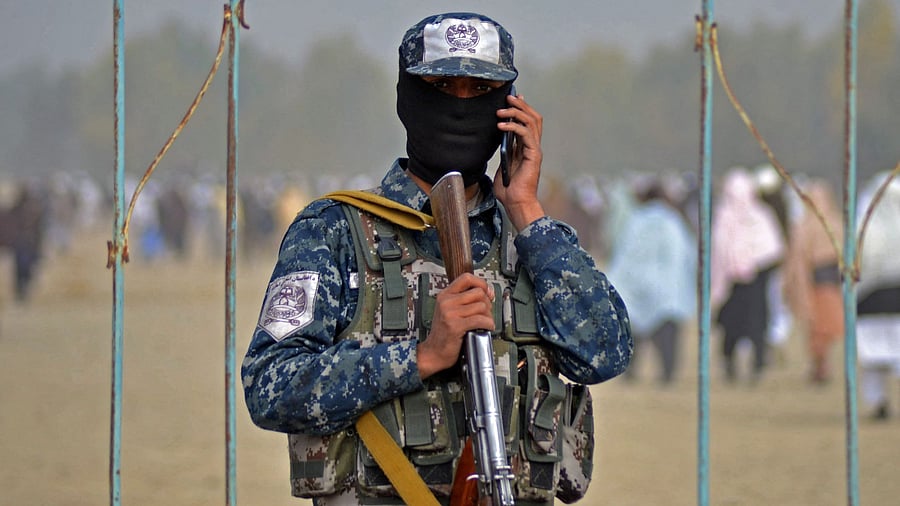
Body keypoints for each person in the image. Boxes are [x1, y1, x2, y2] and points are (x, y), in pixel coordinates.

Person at [241, 12, 633, 506]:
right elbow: (269, 387)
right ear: (408, 97)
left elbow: (606, 352)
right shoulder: (335, 230)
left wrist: (528, 211)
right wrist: (420, 357)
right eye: (443, 85)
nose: (460, 105)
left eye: (480, 90)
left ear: (509, 109)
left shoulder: (531, 241)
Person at [607, 176, 696, 386]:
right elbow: (685, 254)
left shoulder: (635, 220)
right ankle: (667, 374)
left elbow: (622, 252)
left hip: (635, 288)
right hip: (667, 290)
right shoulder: (673, 221)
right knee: (667, 337)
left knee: (633, 334)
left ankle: (630, 372)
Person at [711, 167, 785, 384]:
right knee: (731, 326)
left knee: (755, 326)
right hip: (732, 284)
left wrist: (750, 262)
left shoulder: (760, 215)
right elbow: (719, 250)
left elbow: (772, 248)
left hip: (755, 283)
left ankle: (757, 365)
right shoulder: (724, 216)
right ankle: (730, 365)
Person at [783, 179, 844, 384]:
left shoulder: (826, 224)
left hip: (828, 283)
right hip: (815, 282)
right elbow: (798, 259)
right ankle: (819, 365)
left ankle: (821, 364)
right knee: (817, 327)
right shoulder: (825, 224)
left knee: (824, 327)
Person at [855, 172, 900, 419]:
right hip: (886, 295)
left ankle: (878, 401)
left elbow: (862, 261)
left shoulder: (867, 227)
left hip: (872, 297)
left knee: (873, 357)